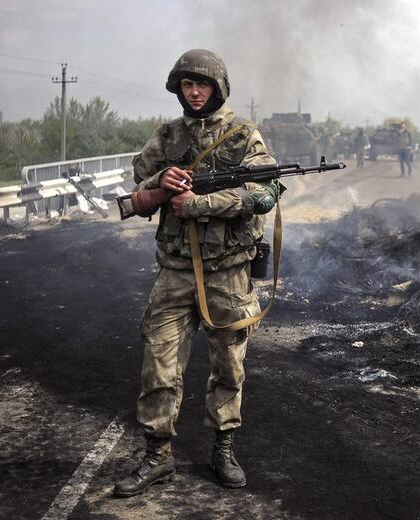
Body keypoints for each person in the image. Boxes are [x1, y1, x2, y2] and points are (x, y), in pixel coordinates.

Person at [113, 49, 282, 497]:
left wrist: (203, 204)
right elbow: (138, 187)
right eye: (187, 84)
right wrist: (162, 185)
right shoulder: (166, 136)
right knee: (159, 365)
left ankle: (223, 449)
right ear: (178, 89)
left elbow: (265, 193)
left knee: (229, 366)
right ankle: (157, 456)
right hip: (175, 271)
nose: (194, 91)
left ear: (218, 87)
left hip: (228, 272)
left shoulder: (244, 136)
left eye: (202, 84)